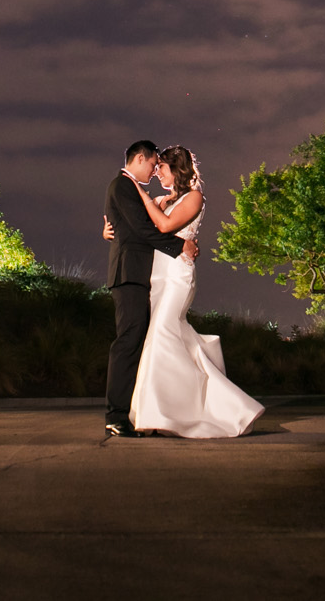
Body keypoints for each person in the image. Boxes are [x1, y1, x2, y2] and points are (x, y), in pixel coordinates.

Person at [104, 144, 264, 438]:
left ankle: (170, 412)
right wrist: (110, 228)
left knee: (162, 333)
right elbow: (137, 225)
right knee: (157, 340)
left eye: (160, 168)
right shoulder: (159, 198)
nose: (155, 172)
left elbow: (162, 226)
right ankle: (158, 412)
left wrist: (140, 194)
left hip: (177, 275)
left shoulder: (194, 197)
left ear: (175, 169)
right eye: (154, 166)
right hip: (155, 276)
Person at [102, 140, 194, 437]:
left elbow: (132, 226)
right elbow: (142, 230)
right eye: (154, 164)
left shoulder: (127, 188)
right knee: (127, 342)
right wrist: (180, 246)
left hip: (138, 274)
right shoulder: (123, 186)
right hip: (129, 274)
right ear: (140, 158)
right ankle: (116, 416)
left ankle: (128, 412)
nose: (155, 170)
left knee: (135, 342)